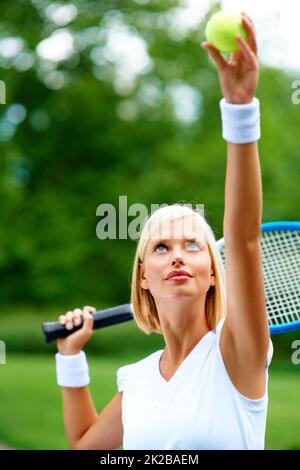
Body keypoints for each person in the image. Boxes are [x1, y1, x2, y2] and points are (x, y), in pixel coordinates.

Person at [54, 12, 273, 450]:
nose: (177, 254)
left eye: (194, 244)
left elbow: (245, 238)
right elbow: (83, 447)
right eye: (161, 246)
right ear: (142, 275)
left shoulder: (237, 355)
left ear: (213, 271)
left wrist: (240, 110)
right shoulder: (136, 380)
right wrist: (71, 356)